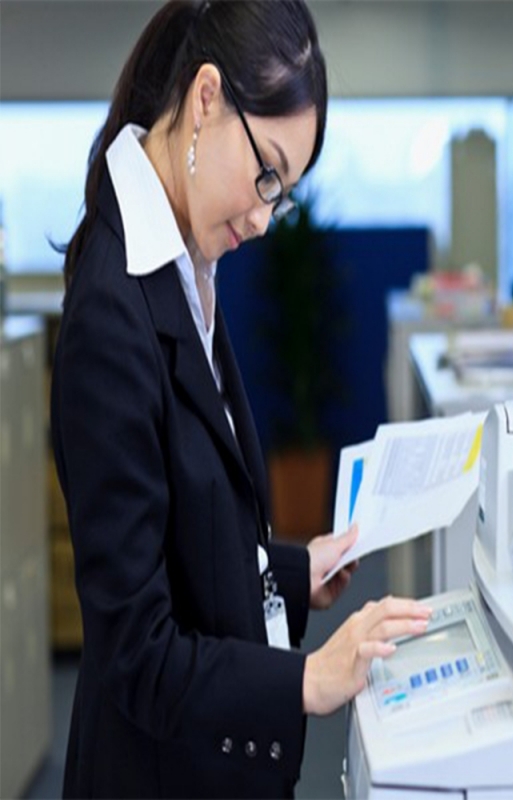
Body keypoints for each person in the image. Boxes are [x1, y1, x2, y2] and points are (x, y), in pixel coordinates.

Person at [51, 2, 432, 798]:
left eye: (283, 192)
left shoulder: (184, 265)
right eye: (266, 174)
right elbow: (138, 652)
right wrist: (309, 679)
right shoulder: (112, 313)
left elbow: (189, 535)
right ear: (205, 99)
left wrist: (292, 572)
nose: (263, 217)